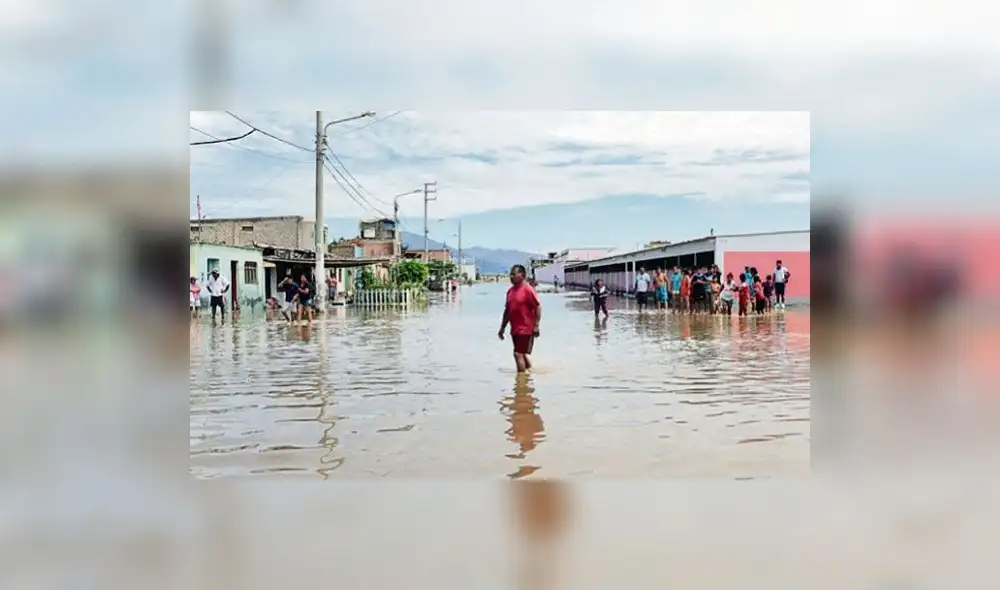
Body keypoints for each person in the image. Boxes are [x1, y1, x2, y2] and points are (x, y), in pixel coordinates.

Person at [498, 265, 541, 373]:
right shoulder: (510, 291)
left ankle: (521, 380)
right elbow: (507, 311)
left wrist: (536, 326)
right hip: (515, 329)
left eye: (514, 274)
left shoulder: (528, 290)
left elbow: (537, 307)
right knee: (522, 354)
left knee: (517, 354)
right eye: (510, 274)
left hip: (526, 328)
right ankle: (529, 373)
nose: (511, 277)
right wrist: (502, 327)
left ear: (522, 275)